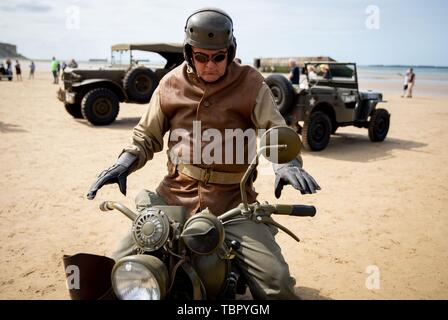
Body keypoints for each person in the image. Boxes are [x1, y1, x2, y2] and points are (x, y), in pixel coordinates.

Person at [86, 7, 320, 300]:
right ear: (188, 53)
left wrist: (285, 163)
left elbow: (273, 130)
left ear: (230, 51)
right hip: (173, 196)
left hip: (235, 203)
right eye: (201, 57)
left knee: (278, 285)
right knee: (120, 267)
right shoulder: (170, 84)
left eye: (219, 57)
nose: (210, 64)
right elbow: (146, 135)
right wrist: (124, 163)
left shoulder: (250, 83)